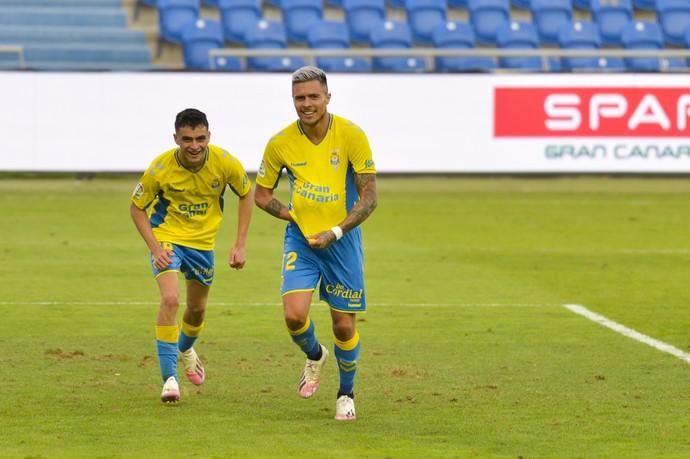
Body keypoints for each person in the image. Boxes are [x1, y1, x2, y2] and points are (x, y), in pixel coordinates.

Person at [254, 66, 377, 421]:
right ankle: (315, 354)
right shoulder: (280, 143)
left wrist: (335, 232)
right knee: (294, 316)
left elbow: (369, 198)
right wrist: (293, 217)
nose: (306, 104)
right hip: (302, 240)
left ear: (327, 97)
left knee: (343, 326)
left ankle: (346, 393)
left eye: (313, 97)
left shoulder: (352, 135)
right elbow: (262, 195)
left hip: (342, 241)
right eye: (300, 98)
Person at [130, 108, 253, 403]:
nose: (194, 145)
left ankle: (185, 348)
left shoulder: (225, 163)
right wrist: (156, 248)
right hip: (168, 239)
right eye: (187, 139)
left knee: (197, 310)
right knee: (171, 299)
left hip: (203, 245)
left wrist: (239, 244)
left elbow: (246, 193)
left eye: (200, 138)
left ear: (209, 136)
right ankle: (169, 379)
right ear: (176, 138)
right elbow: (137, 208)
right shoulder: (160, 168)